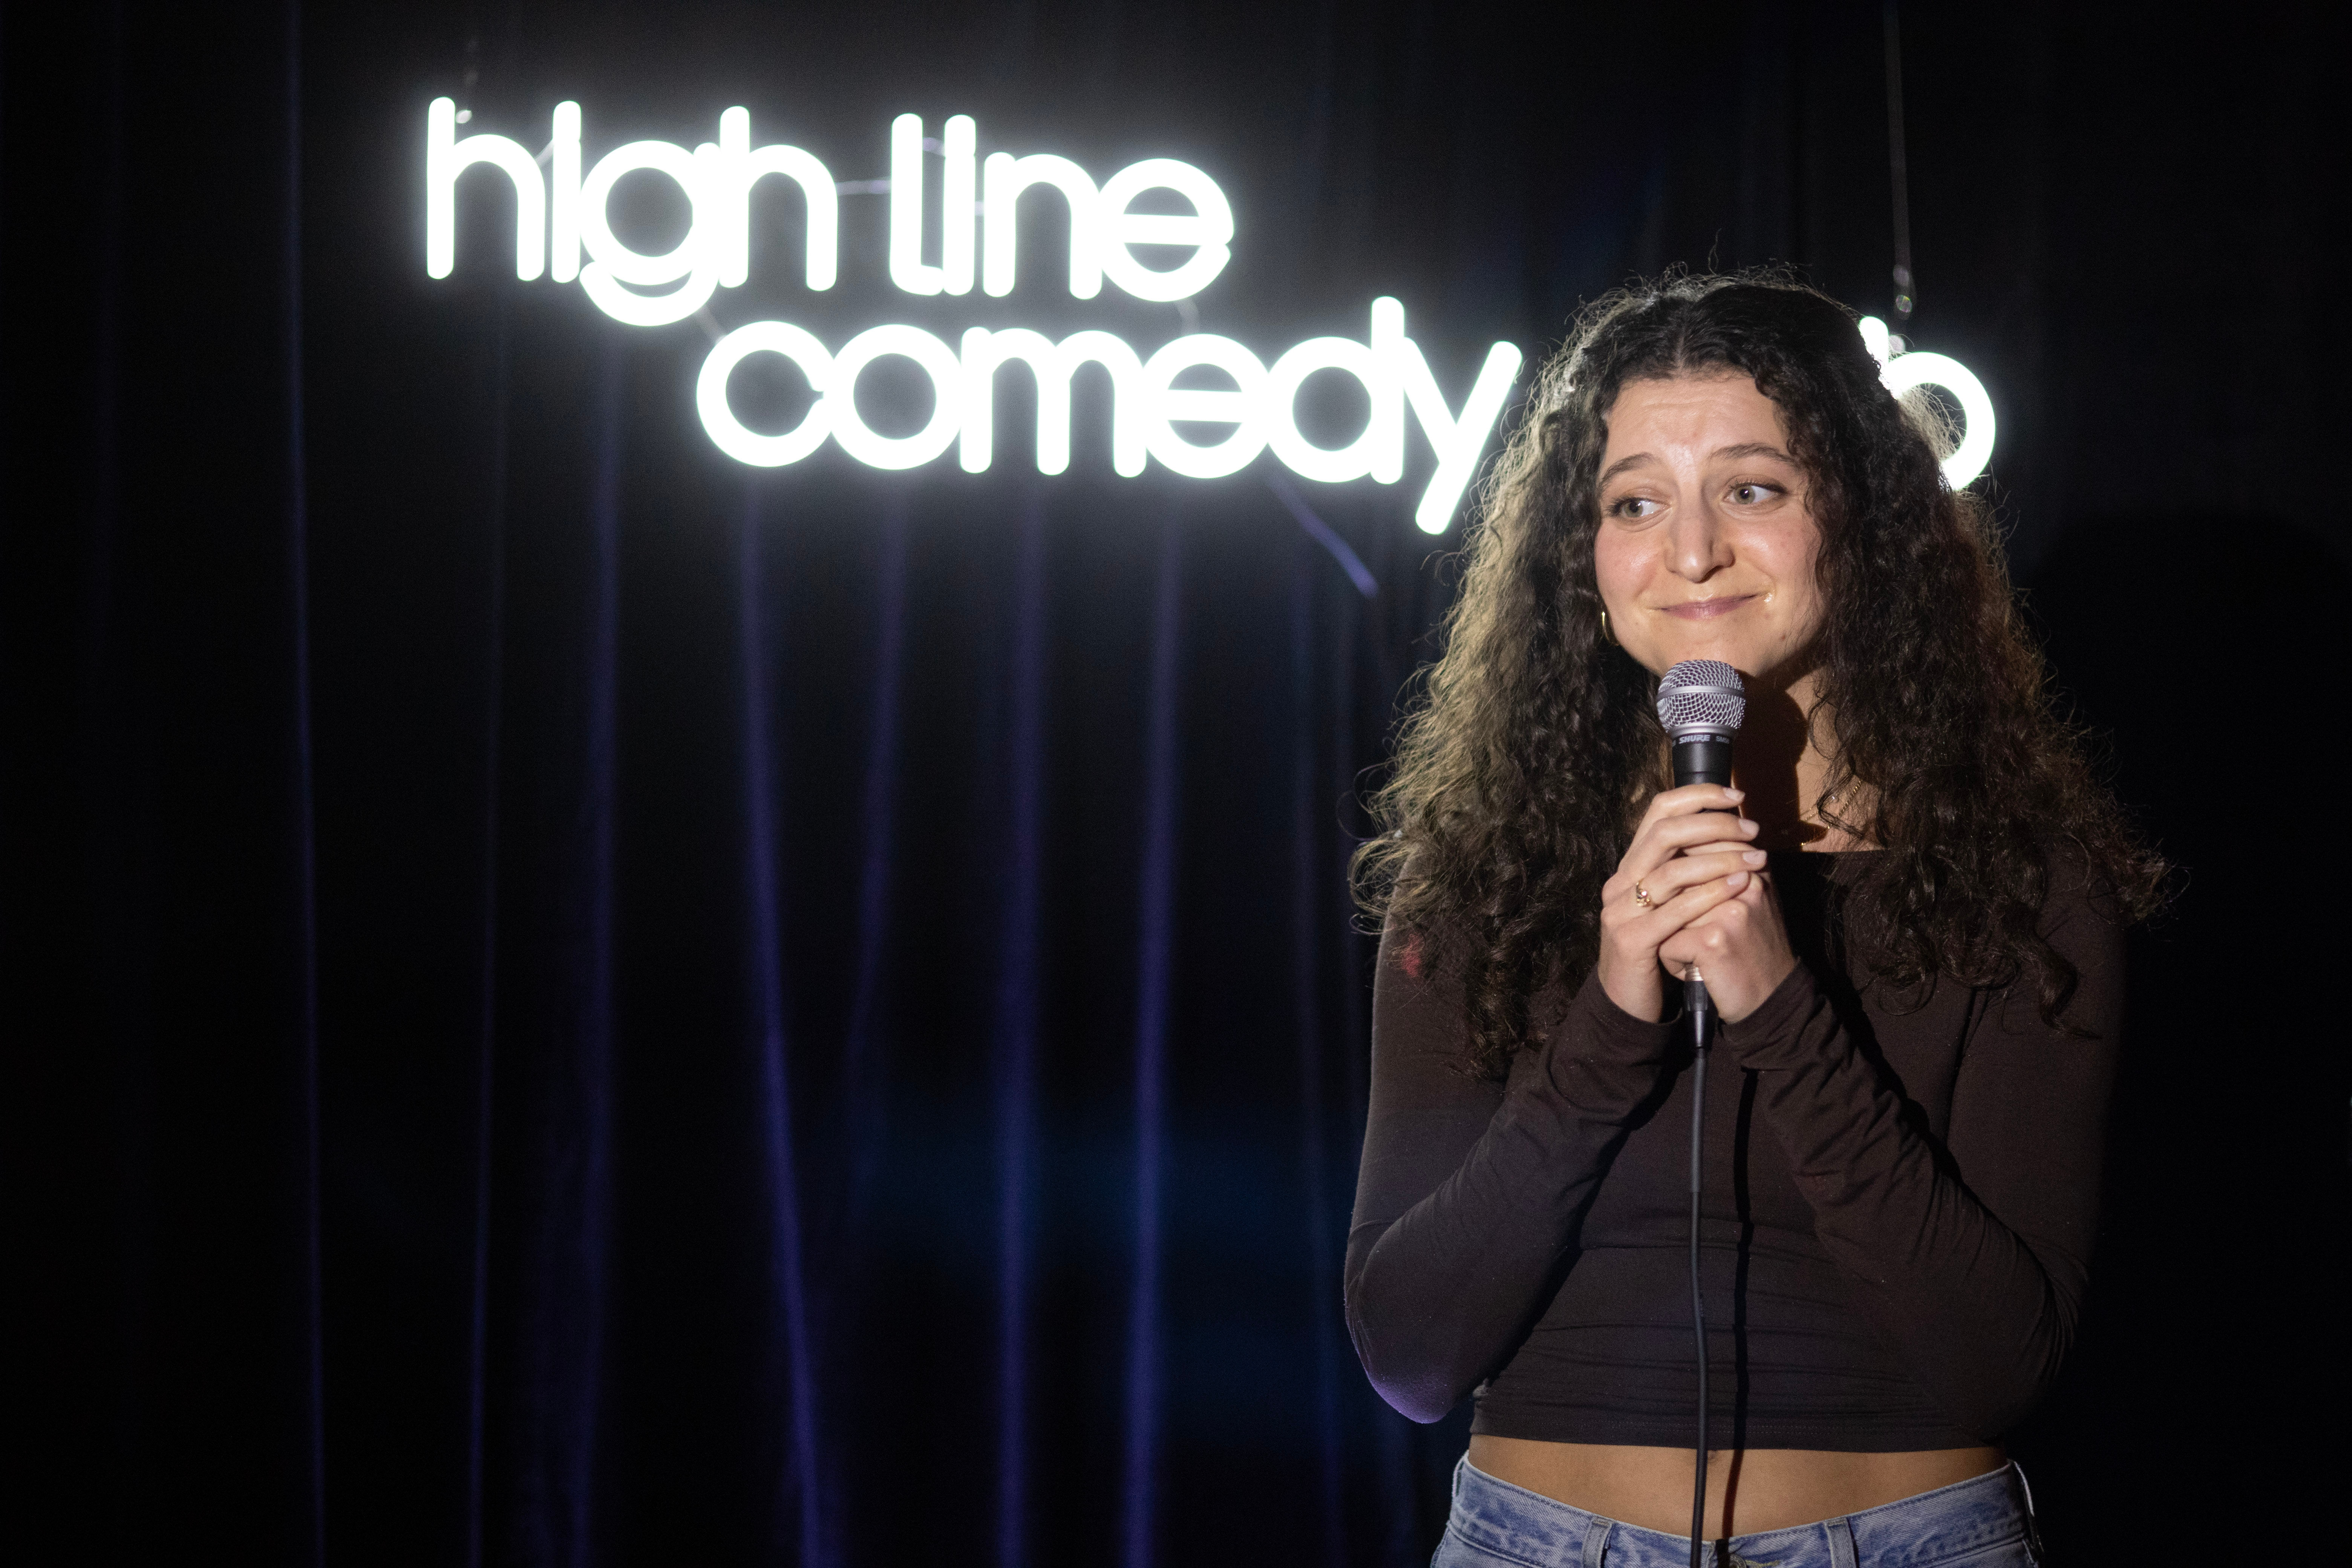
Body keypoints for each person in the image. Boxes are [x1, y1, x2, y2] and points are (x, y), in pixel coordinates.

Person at [1346, 272, 2163, 1566]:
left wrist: (1781, 1003)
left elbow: (1997, 1363)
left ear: (1864, 514)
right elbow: (1411, 1354)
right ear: (1584, 554)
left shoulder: (2021, 879)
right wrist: (1612, 1018)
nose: (1690, 552)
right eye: (1634, 503)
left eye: (1753, 487)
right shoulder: (1481, 875)